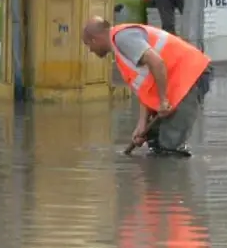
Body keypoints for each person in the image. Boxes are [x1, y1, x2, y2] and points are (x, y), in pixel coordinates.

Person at [82, 16, 213, 156]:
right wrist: (142, 123)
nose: (91, 50)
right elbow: (145, 87)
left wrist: (163, 101)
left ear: (94, 39)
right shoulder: (120, 49)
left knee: (170, 145)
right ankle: (158, 173)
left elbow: (157, 63)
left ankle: (174, 173)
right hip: (177, 82)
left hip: (191, 75)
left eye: (89, 45)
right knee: (154, 139)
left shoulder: (123, 39)